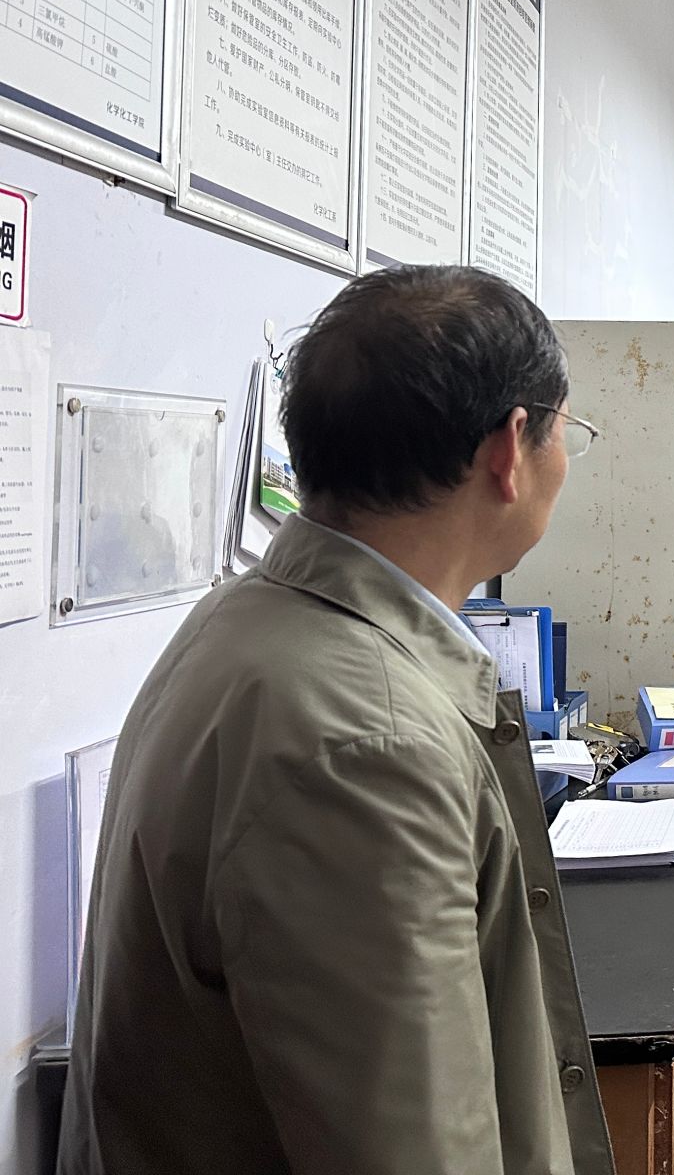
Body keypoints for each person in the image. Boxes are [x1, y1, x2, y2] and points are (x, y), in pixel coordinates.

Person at [60, 266, 612, 1175]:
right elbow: (415, 1147)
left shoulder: (250, 619)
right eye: (566, 432)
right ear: (511, 449)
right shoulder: (369, 743)